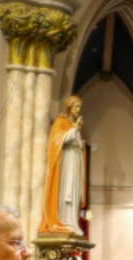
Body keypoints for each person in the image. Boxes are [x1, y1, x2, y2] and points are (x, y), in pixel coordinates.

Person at [40, 95, 86, 235]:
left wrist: (80, 143)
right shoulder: (60, 122)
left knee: (74, 191)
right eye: (75, 107)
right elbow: (58, 140)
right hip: (67, 161)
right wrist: (74, 130)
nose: (78, 109)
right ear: (69, 107)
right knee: (67, 190)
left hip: (76, 160)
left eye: (79, 107)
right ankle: (64, 220)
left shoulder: (74, 124)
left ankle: (72, 221)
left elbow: (77, 143)